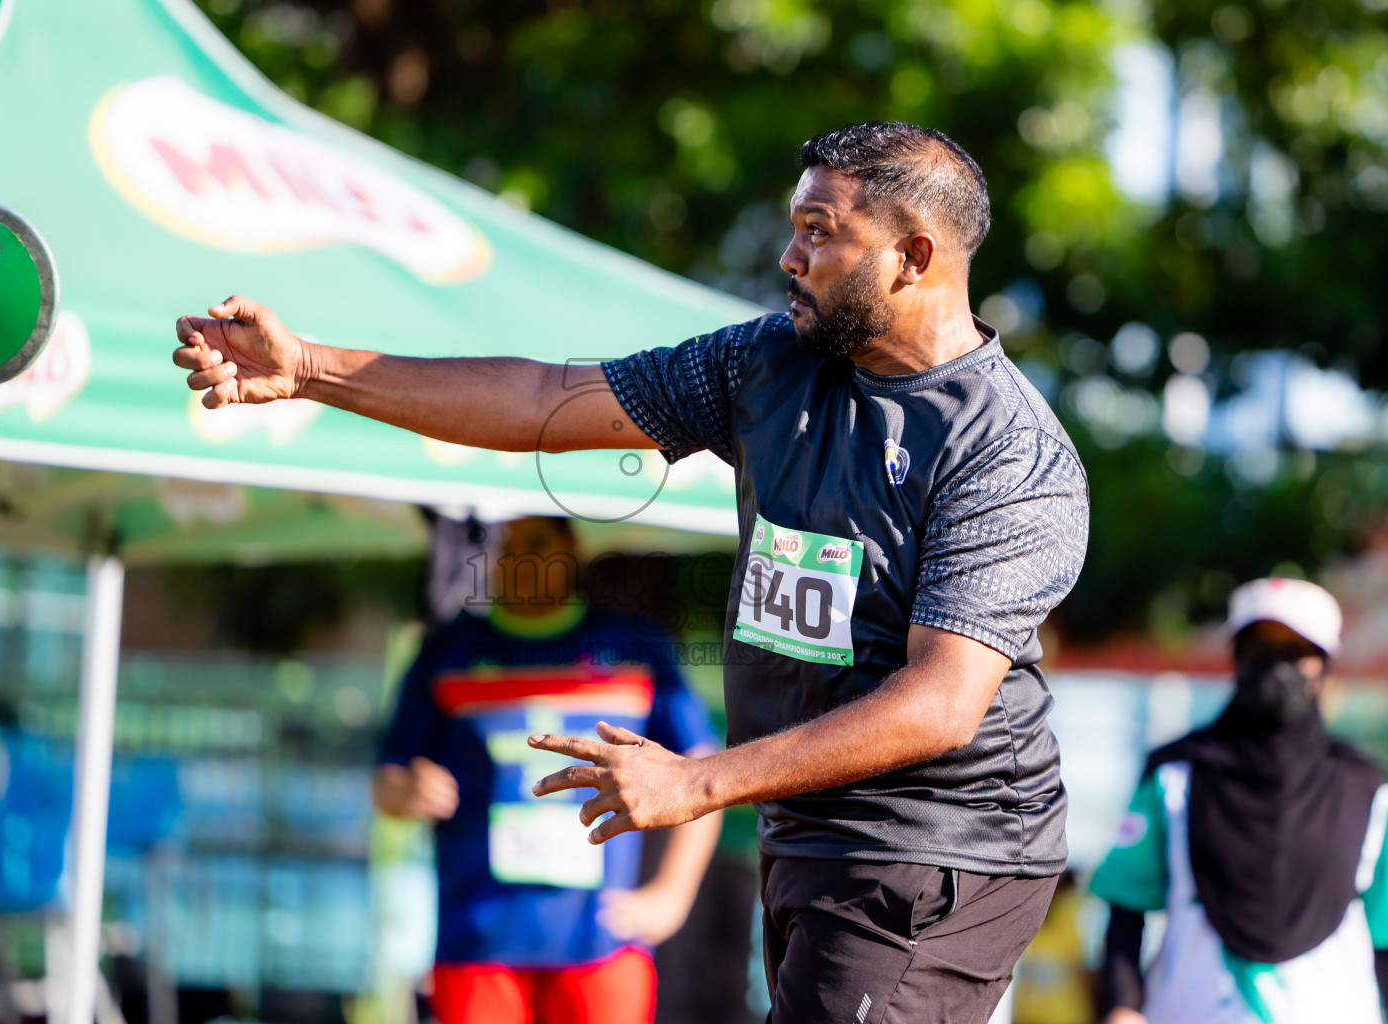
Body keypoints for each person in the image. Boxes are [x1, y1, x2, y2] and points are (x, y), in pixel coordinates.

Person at [173, 120, 1090, 1022]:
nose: (789, 257)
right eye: (794, 227)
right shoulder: (766, 364)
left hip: (943, 844)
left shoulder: (1009, 453)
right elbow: (544, 399)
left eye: (820, 231)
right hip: (811, 832)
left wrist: (697, 781)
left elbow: (940, 703)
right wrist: (310, 370)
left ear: (913, 257)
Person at [373, 514, 721, 1024]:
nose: (518, 560)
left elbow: (703, 770)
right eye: (503, 545)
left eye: (534, 542)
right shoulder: (447, 649)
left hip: (603, 945)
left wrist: (672, 894)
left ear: (570, 544)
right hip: (475, 945)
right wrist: (407, 791)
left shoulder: (634, 643)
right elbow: (386, 781)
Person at [1091, 577, 1388, 1024]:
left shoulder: (1367, 788)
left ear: (1324, 663)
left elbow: (1384, 937)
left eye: (1295, 651)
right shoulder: (1176, 774)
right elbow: (1126, 909)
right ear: (1237, 654)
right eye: (1260, 649)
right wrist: (1122, 1005)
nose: (1277, 667)